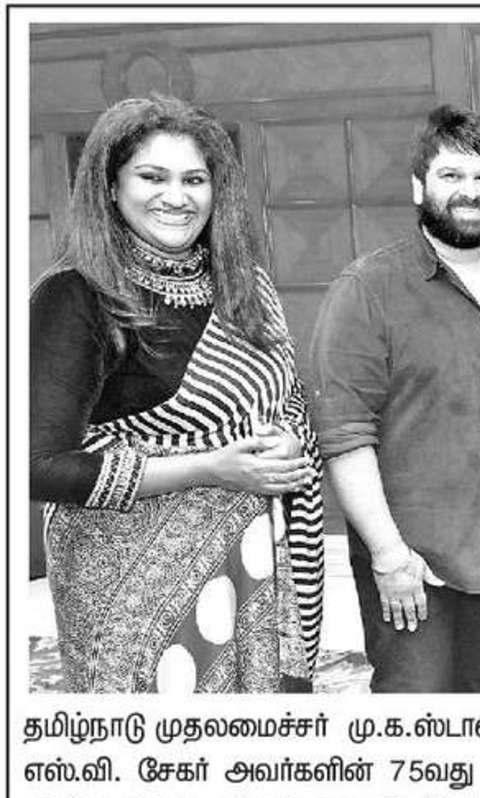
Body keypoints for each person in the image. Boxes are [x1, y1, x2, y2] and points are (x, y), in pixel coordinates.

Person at [28, 94, 324, 692]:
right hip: (129, 590)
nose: (177, 196)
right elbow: (37, 466)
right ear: (111, 187)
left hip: (256, 571)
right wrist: (209, 468)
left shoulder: (243, 285)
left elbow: (285, 400)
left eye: (194, 179)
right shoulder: (76, 295)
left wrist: (287, 440)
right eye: (152, 177)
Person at [310, 105, 480, 693]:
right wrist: (387, 555)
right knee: (417, 710)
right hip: (411, 560)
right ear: (419, 187)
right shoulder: (367, 289)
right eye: (451, 175)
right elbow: (345, 436)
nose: (471, 191)